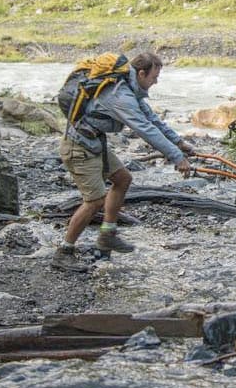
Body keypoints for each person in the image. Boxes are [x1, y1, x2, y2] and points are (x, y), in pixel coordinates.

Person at [57, 53, 193, 262]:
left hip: (94, 143)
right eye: (154, 77)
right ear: (141, 73)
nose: (156, 82)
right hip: (78, 148)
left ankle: (106, 237)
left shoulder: (130, 87)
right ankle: (64, 251)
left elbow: (151, 118)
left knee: (123, 179)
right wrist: (177, 158)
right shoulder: (120, 95)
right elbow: (145, 129)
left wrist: (179, 143)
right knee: (94, 201)